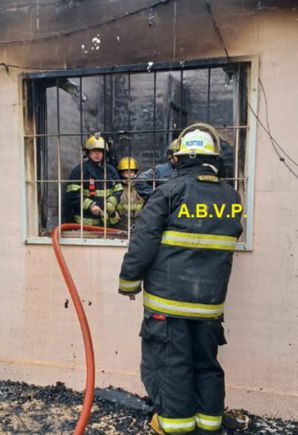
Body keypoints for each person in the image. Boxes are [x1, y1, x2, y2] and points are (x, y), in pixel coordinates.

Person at [118, 125, 243, 434]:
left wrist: (128, 283)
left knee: (171, 367)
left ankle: (174, 427)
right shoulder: (231, 196)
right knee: (206, 366)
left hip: (168, 305)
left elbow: (143, 241)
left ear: (181, 159)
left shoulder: (169, 192)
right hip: (210, 306)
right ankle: (209, 424)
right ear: (213, 158)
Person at [65, 134, 123, 226]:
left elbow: (118, 190)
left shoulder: (111, 170)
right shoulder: (79, 171)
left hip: (106, 223)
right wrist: (90, 205)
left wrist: (111, 203)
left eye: (100, 151)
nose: (97, 153)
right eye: (94, 150)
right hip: (86, 224)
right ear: (88, 152)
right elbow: (72, 195)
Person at [116, 157, 145, 229]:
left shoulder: (140, 187)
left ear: (135, 173)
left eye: (131, 172)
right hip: (121, 224)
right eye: (126, 172)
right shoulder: (118, 188)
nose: (129, 175)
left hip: (139, 224)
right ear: (122, 173)